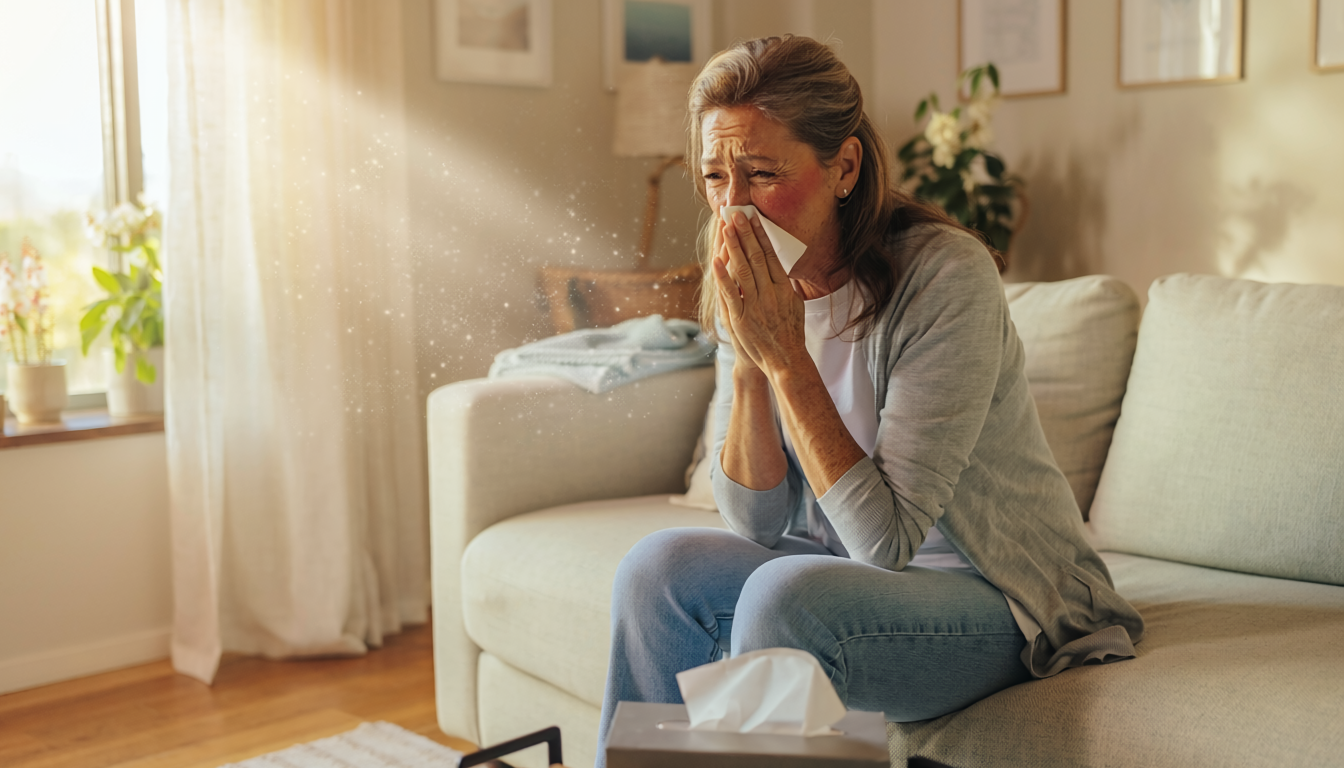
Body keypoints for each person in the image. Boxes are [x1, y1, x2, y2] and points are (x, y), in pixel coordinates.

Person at [595, 35, 1144, 764]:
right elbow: (757, 521)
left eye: (761, 173)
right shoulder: (749, 267)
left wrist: (787, 357)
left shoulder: (946, 278)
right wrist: (750, 361)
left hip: (1002, 600)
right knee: (656, 570)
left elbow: (885, 545)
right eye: (714, 176)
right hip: (847, 575)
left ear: (844, 167)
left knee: (786, 598)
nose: (733, 209)